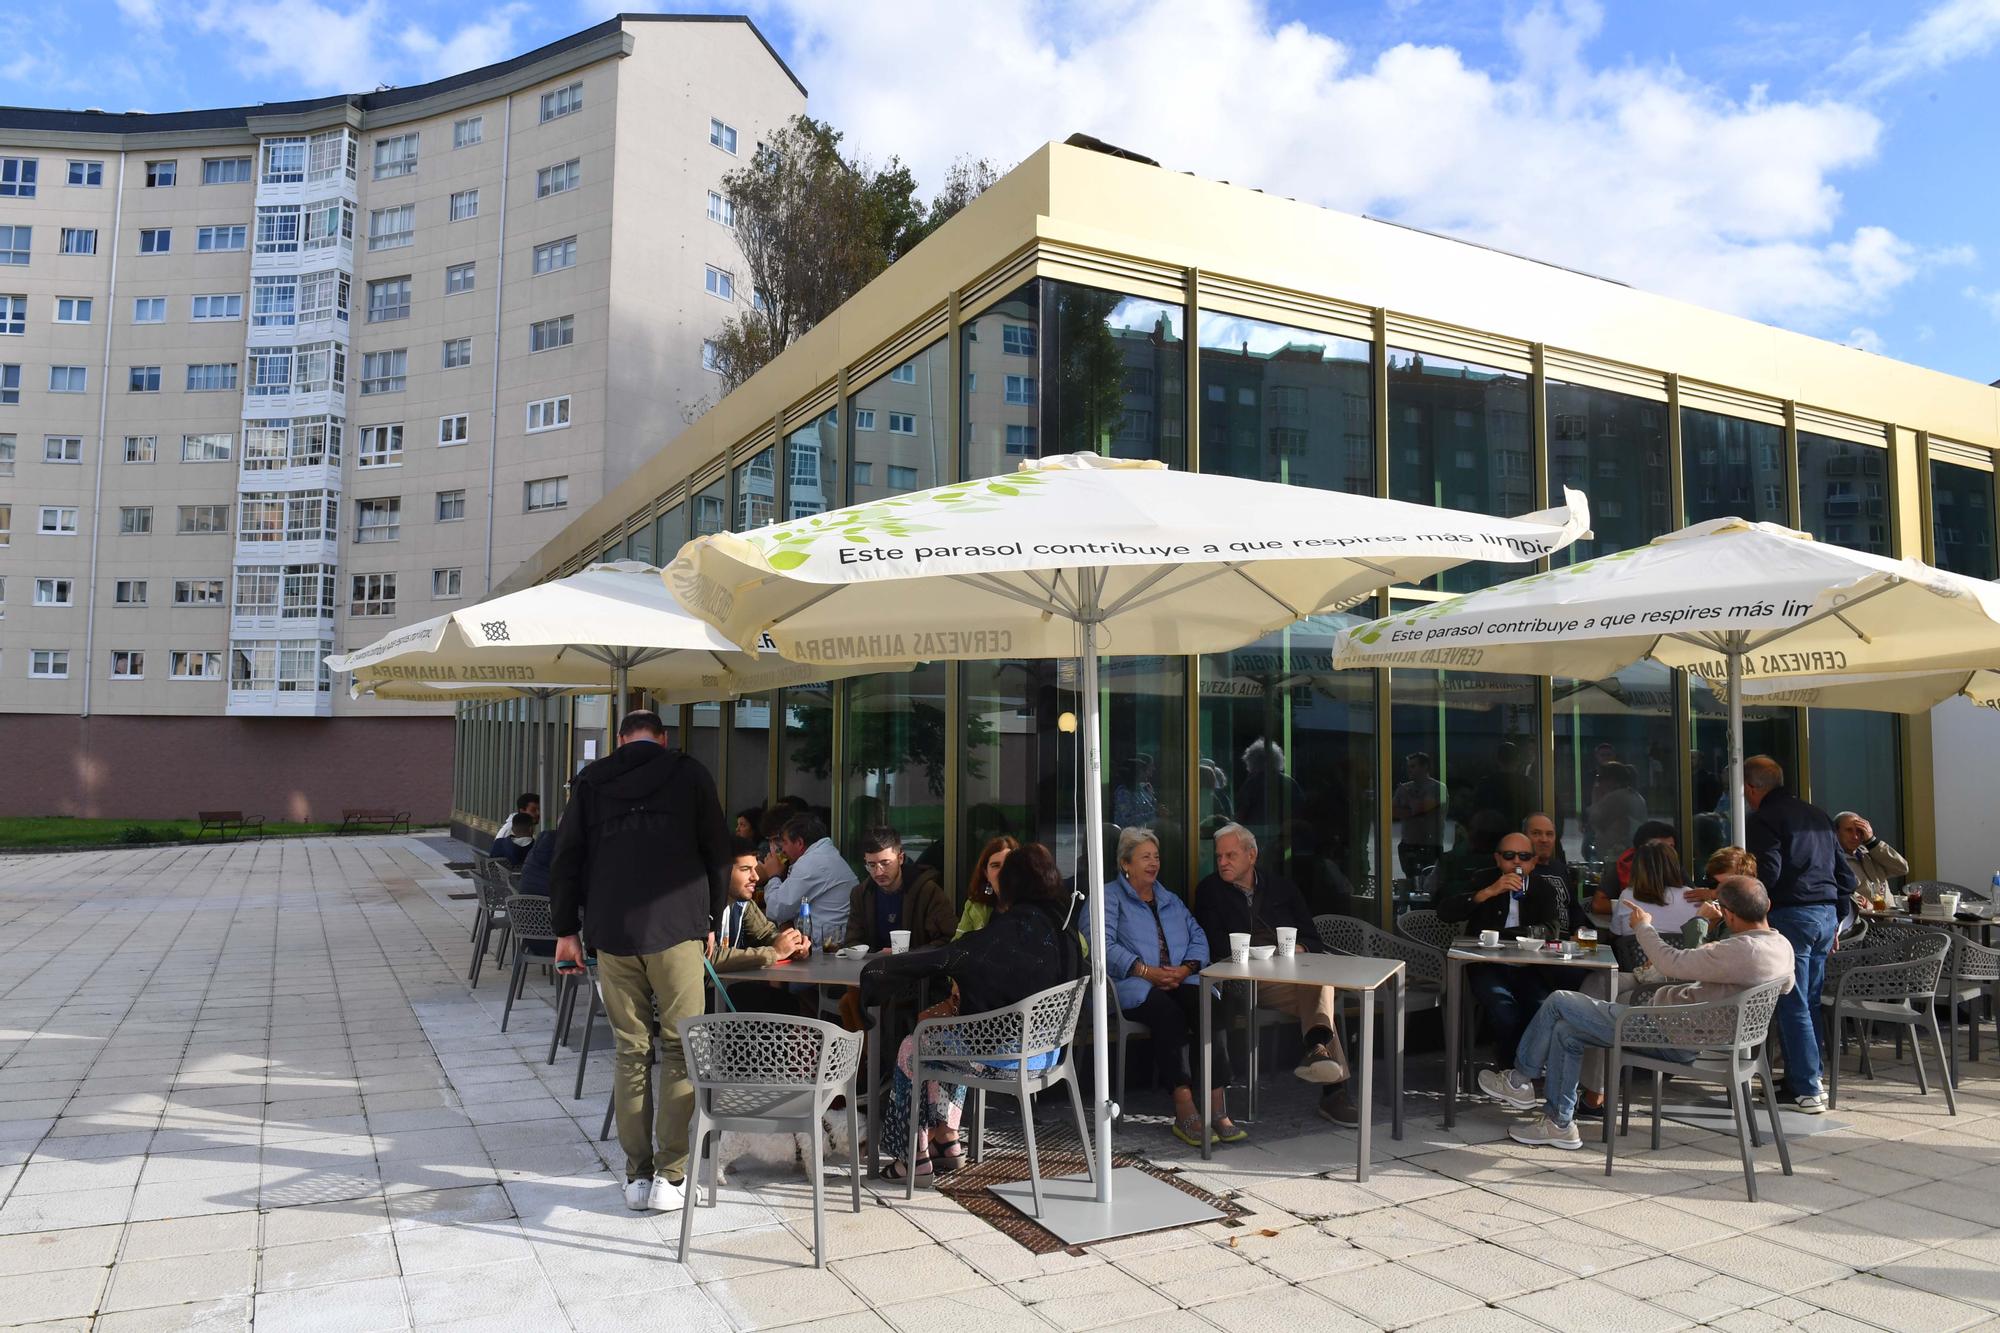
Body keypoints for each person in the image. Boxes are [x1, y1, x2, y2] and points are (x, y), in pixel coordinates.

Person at [549, 710, 729, 1214]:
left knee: (630, 1053)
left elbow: (567, 858)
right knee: (680, 1049)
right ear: (663, 738)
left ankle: (636, 1177)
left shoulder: (590, 782)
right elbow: (718, 852)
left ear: (621, 740)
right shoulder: (689, 774)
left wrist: (566, 929)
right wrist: (712, 916)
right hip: (677, 931)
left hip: (612, 933)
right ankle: (671, 1178)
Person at [1479, 875, 1796, 1148]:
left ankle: (1519, 1078)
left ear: (1727, 913)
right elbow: (1784, 987)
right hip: (1704, 1035)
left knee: (1560, 999)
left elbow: (1671, 962)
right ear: (1767, 907)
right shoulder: (1782, 947)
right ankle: (1558, 1124)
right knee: (1566, 1031)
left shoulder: (1737, 950)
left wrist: (1644, 927)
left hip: (1669, 1033)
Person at [861, 842, 1087, 1181]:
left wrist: (881, 970)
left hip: (1010, 1057)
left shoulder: (1014, 928)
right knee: (944, 1041)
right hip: (1048, 1052)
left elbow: (961, 955)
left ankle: (912, 1159)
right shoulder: (1064, 926)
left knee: (915, 1047)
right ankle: (947, 1141)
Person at [1194, 823, 1357, 1125]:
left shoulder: (1282, 888)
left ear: (1251, 855)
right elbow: (1214, 946)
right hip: (1243, 979)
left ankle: (1319, 1052)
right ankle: (1333, 1087)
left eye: (1230, 855)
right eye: (1219, 856)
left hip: (1290, 975)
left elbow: (1312, 940)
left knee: (1318, 983)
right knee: (1321, 997)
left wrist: (1293, 951)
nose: (1222, 862)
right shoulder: (1210, 891)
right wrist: (1259, 955)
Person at [1098, 827, 1238, 1146]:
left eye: (1156, 856)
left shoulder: (1168, 897)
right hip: (1131, 986)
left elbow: (1198, 935)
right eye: (1145, 857)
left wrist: (1186, 968)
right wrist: (1145, 971)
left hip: (1177, 978)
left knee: (1209, 1006)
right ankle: (1184, 1106)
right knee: (1169, 1015)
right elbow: (1099, 944)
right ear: (1125, 863)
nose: (1153, 863)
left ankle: (1217, 1105)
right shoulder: (1109, 897)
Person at [1745, 755, 1855, 1114]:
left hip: (1793, 916)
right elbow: (1846, 877)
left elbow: (1770, 873)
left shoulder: (1765, 818)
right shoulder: (1818, 815)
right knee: (1806, 1002)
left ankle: (1808, 1088)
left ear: (1751, 788)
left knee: (1792, 1003)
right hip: (1825, 917)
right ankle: (1799, 1081)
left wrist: (1750, 909)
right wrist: (1837, 919)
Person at [1439, 832, 1568, 1062]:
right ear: (1498, 859)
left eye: (1524, 856)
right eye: (1509, 856)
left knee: (1541, 1007)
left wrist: (1508, 935)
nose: (1516, 862)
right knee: (1504, 1011)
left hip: (1529, 966)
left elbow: (1551, 929)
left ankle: (1526, 1067)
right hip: (1486, 964)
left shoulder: (1543, 888)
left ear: (1534, 861)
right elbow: (1445, 912)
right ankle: (1509, 1069)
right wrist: (1488, 892)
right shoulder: (1483, 880)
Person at [712, 837, 810, 1013]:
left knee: (784, 1003)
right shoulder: (700, 904)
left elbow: (766, 934)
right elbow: (709, 958)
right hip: (700, 994)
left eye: (755, 868)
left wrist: (791, 944)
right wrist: (775, 952)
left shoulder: (743, 903)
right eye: (745, 869)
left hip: (725, 990)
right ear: (722, 871)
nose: (755, 877)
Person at [841, 826, 955, 950]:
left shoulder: (927, 891)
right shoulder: (861, 894)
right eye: (872, 865)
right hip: (874, 966)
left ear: (900, 858)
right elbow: (852, 942)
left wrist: (905, 955)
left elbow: (950, 940)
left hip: (917, 967)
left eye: (885, 863)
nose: (879, 872)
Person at [761, 813, 852, 944]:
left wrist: (773, 876)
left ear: (799, 843)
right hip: (831, 942)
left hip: (825, 950)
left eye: (785, 843)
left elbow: (776, 910)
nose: (782, 850)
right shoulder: (823, 855)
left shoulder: (812, 862)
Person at [1614, 842, 1707, 946]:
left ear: (1637, 868)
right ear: (1675, 866)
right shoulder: (1692, 896)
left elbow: (1616, 933)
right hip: (1680, 960)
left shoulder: (1627, 895)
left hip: (1636, 961)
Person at [1835, 811, 1908, 910]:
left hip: (1891, 919)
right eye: (1849, 830)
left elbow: (1902, 868)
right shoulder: (1832, 860)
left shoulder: (1871, 853)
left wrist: (1872, 842)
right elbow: (1842, 893)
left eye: (1859, 831)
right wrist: (1867, 906)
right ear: (1835, 832)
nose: (1855, 836)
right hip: (1865, 921)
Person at [1392, 752, 1446, 885]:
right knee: (1410, 882)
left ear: (1425, 767)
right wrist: (1414, 811)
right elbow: (1392, 812)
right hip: (1408, 844)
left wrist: (1410, 802)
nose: (1409, 769)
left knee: (1429, 883)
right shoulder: (1404, 788)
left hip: (1430, 845)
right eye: (1409, 766)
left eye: (1413, 766)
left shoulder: (1437, 788)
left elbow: (1420, 808)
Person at [954, 835, 1018, 940]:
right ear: (985, 873)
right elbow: (956, 946)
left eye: (1008, 865)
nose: (1002, 872)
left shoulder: (1032, 906)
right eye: (995, 865)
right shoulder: (974, 906)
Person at [1587, 763, 1647, 865]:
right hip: (1628, 855)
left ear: (1611, 780)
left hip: (1616, 857)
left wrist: (1595, 795)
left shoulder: (1616, 797)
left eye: (1599, 779)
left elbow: (1594, 818)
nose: (1598, 783)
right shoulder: (1634, 795)